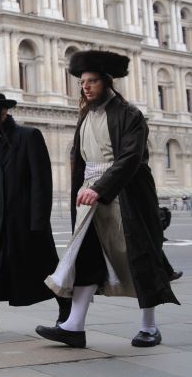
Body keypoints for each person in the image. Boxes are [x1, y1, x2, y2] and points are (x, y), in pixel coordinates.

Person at [37, 50, 179, 349]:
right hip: (90, 198)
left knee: (137, 258)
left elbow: (130, 158)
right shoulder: (86, 115)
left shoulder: (130, 115)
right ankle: (74, 326)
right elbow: (81, 158)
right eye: (82, 82)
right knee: (85, 257)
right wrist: (85, 189)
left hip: (124, 197)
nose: (85, 87)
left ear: (107, 82)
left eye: (92, 81)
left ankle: (149, 327)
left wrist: (100, 188)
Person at [0, 93, 69, 335]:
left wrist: (40, 219)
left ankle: (67, 309)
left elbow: (42, 181)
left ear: (3, 113)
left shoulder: (29, 136)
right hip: (2, 219)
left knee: (45, 266)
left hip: (27, 219)